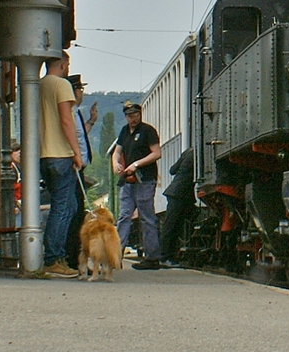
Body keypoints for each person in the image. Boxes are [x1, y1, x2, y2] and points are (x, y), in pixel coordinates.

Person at [38, 51, 82, 277]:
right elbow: (66, 120)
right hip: (60, 154)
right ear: (64, 64)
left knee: (69, 206)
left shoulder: (37, 85)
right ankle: (53, 259)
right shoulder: (61, 85)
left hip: (42, 154)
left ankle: (56, 255)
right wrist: (76, 152)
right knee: (63, 208)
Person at [111, 100, 163, 270]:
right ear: (125, 117)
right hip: (128, 179)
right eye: (129, 115)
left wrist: (137, 164)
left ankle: (152, 256)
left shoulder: (148, 131)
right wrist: (115, 163)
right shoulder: (124, 132)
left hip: (144, 178)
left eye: (135, 115)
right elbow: (117, 151)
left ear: (139, 115)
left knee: (146, 216)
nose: (132, 118)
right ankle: (115, 254)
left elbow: (156, 153)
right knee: (124, 216)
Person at [63, 74, 99, 272]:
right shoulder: (69, 111)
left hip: (78, 166)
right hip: (73, 166)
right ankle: (71, 257)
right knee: (73, 212)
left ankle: (75, 257)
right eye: (80, 90)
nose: (82, 93)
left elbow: (80, 134)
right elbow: (73, 135)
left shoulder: (75, 111)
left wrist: (92, 121)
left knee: (76, 212)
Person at [158, 147, 196, 264]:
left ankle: (169, 256)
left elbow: (172, 170)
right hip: (180, 193)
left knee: (173, 226)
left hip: (176, 192)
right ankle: (164, 256)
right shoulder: (196, 153)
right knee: (171, 226)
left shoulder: (188, 152)